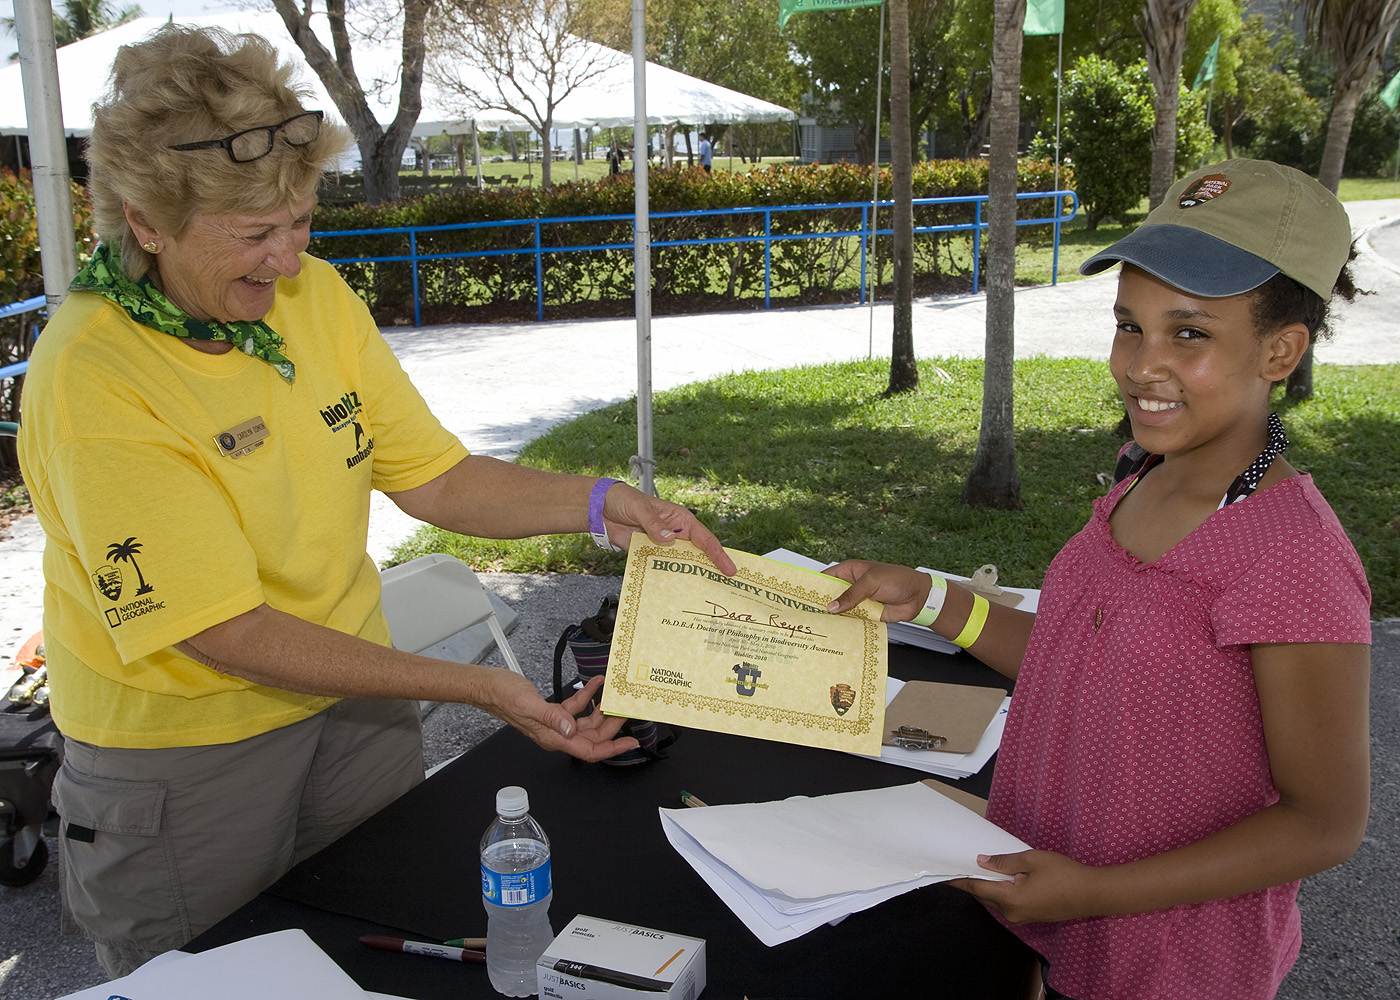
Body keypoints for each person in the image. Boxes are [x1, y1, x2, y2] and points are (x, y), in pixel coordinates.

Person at [16, 24, 737, 979]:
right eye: (254, 235)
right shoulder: (94, 379)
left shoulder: (313, 297)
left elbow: (434, 476)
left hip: (352, 709)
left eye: (302, 221)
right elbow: (220, 628)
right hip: (186, 759)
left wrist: (604, 503)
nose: (287, 262)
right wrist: (481, 686)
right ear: (146, 218)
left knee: (386, 950)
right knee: (214, 979)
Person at [825, 159, 1371, 1000]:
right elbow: (1085, 655)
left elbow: (1324, 822)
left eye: (1188, 333)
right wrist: (935, 601)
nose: (1140, 364)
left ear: (1280, 349)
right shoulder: (1142, 474)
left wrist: (1095, 893)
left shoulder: (1292, 558)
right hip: (1045, 897)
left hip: (1172, 958)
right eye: (1130, 325)